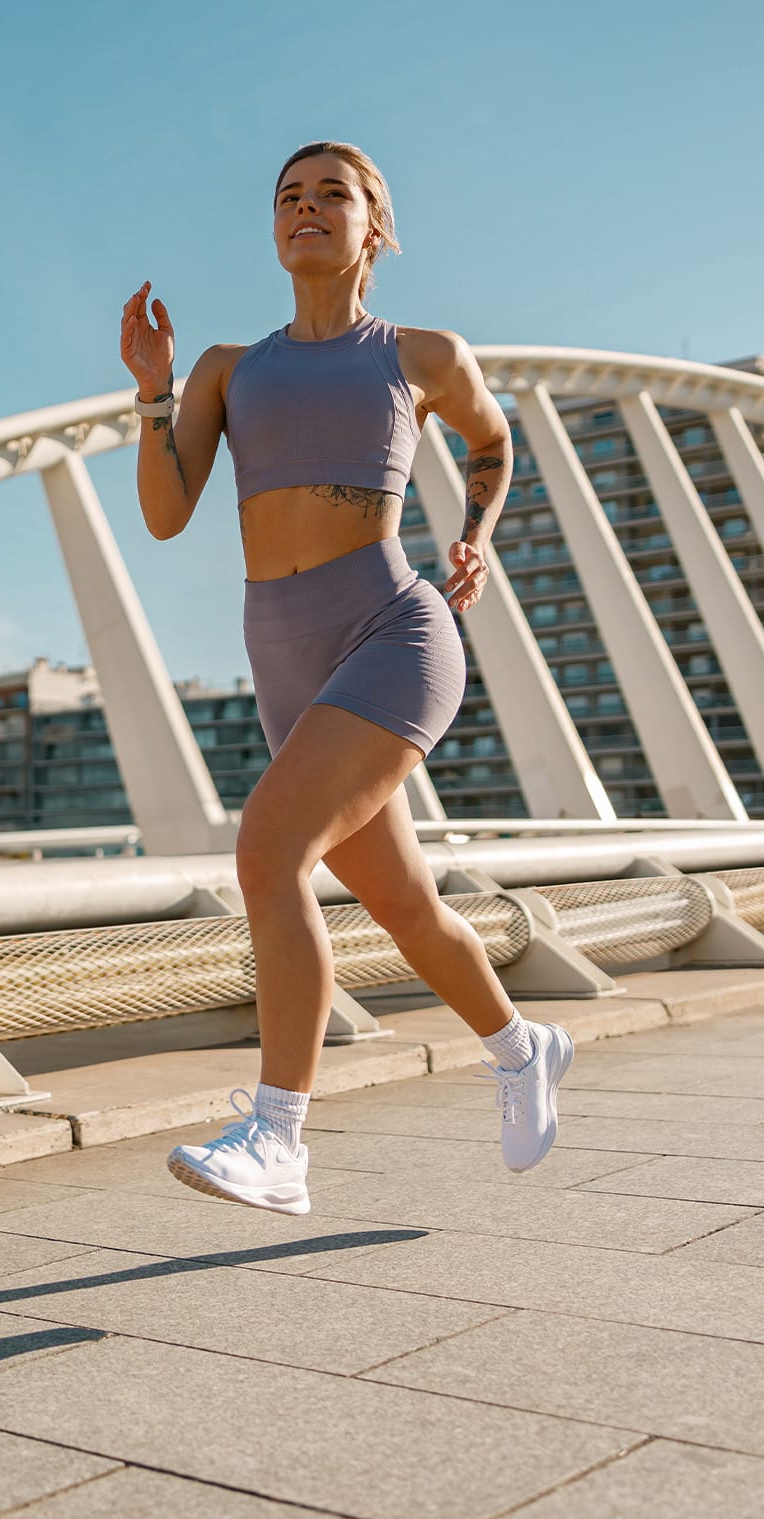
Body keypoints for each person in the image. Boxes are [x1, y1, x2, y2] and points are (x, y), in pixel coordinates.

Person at [118, 140, 570, 1217]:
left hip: (391, 631)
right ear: (273, 230)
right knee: (405, 907)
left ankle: (278, 1137)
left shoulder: (419, 353)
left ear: (376, 229)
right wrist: (152, 394)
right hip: (281, 650)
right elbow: (166, 513)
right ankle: (521, 1048)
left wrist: (479, 532)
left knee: (267, 853)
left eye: (333, 196)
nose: (305, 210)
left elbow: (493, 442)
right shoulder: (229, 368)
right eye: (288, 197)